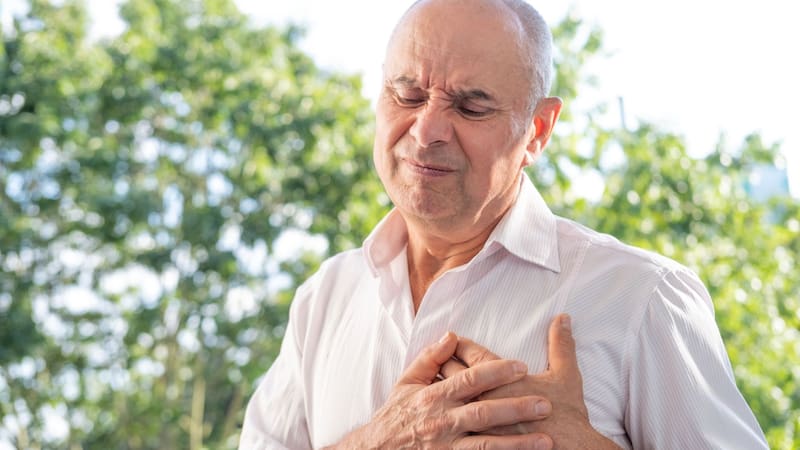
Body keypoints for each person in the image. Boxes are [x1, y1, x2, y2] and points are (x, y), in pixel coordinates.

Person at [240, 0, 768, 448]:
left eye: (471, 106)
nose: (426, 132)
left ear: (537, 131)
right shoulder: (324, 299)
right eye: (408, 95)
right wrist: (382, 439)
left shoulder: (642, 297)